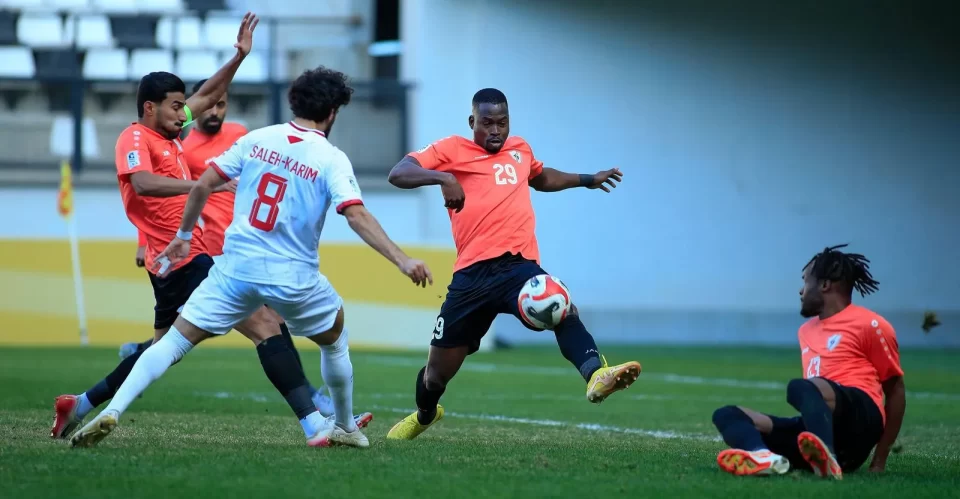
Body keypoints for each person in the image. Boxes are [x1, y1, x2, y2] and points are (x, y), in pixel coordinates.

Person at [69, 66, 433, 449]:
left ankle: (113, 409)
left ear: (294, 101)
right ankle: (341, 423)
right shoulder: (331, 157)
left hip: (234, 268)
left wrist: (183, 236)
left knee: (173, 342)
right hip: (292, 275)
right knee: (335, 338)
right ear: (332, 113)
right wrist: (402, 260)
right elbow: (355, 215)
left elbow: (204, 184)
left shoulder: (257, 138)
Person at [48, 12, 282, 441]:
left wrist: (238, 57)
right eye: (176, 106)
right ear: (149, 107)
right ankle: (318, 417)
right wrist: (203, 184)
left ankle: (79, 404)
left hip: (182, 255)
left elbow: (208, 95)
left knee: (163, 350)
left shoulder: (171, 132)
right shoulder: (134, 138)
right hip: (178, 256)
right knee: (265, 323)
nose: (185, 112)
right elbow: (142, 183)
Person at [383, 88, 642, 440]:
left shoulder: (520, 149)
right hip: (471, 276)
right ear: (472, 121)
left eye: (502, 123)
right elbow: (399, 173)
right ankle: (425, 414)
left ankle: (596, 373)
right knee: (435, 375)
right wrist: (444, 177)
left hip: (518, 267)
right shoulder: (451, 149)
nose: (495, 130)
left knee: (560, 304)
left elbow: (542, 177)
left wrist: (586, 180)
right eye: (487, 123)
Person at [117, 80, 354, 421]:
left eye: (222, 105)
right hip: (212, 247)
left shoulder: (242, 134)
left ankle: (131, 364)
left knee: (238, 325)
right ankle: (314, 409)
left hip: (248, 241)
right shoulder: (185, 145)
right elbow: (161, 197)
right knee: (265, 324)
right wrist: (145, 240)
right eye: (211, 105)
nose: (215, 111)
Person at [712, 244, 906, 479]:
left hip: (861, 419)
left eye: (805, 282)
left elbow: (895, 390)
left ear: (824, 285)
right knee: (726, 414)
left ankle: (827, 457)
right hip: (822, 425)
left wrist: (879, 460)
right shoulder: (805, 330)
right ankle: (764, 457)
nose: (800, 291)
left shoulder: (871, 324)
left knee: (800, 387)